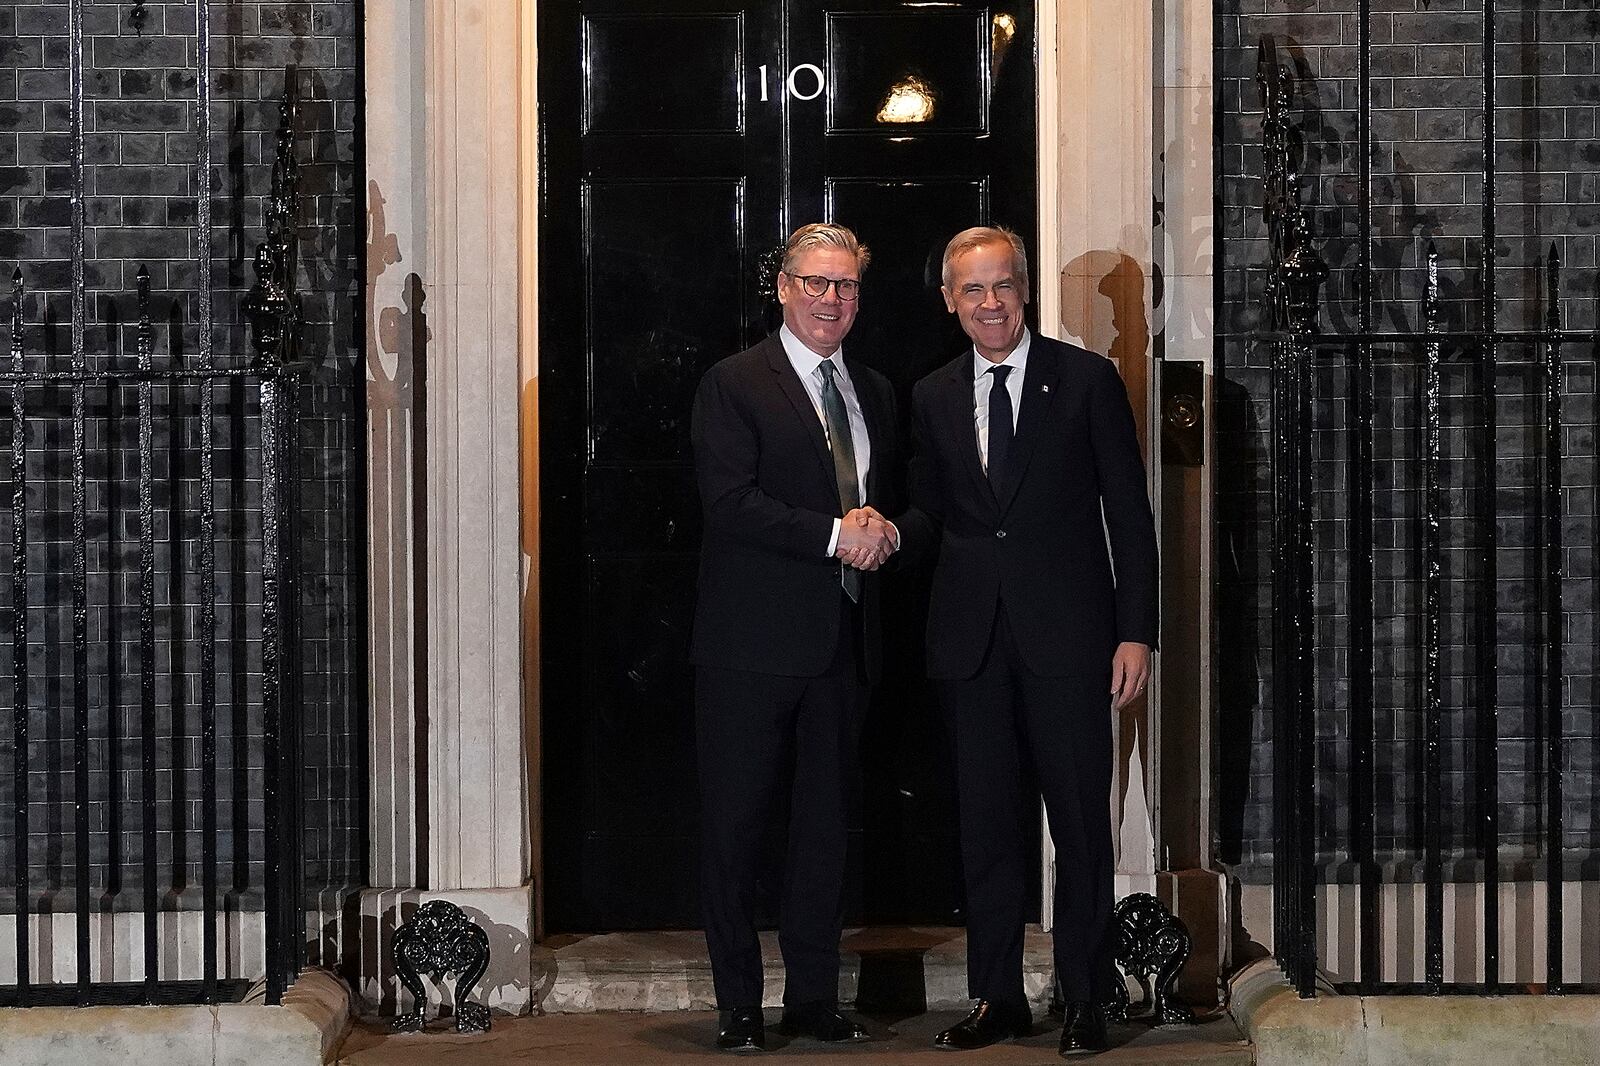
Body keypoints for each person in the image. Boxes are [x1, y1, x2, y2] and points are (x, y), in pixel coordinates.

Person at [899, 226, 1159, 1057]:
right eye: (972, 290)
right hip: (970, 649)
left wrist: (1136, 633)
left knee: (1081, 825)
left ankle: (1086, 999)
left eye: (1002, 286)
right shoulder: (933, 394)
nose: (989, 303)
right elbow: (931, 515)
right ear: (950, 301)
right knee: (986, 827)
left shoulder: (1085, 382)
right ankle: (998, 997)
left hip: (1074, 643)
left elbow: (1129, 513)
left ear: (1024, 291)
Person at [689, 222, 902, 1053]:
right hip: (748, 651)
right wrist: (834, 535)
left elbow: (886, 500)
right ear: (782, 288)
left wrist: (883, 529)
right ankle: (739, 1006)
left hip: (843, 647)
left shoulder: (873, 391)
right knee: (736, 831)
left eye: (846, 285)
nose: (831, 299)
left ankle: (813, 1000)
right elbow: (729, 502)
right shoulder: (734, 383)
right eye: (815, 282)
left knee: (824, 834)